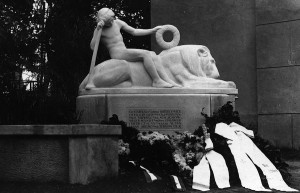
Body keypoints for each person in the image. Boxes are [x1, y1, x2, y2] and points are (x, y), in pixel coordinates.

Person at [88, 8, 180, 88]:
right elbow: (93, 47)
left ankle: (167, 80)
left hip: (124, 50)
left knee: (152, 54)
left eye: (113, 18)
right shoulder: (99, 30)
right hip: (117, 54)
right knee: (145, 54)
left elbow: (134, 31)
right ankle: (156, 81)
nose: (112, 21)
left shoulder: (117, 23)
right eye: (110, 20)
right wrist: (98, 30)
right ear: (104, 20)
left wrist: (152, 30)